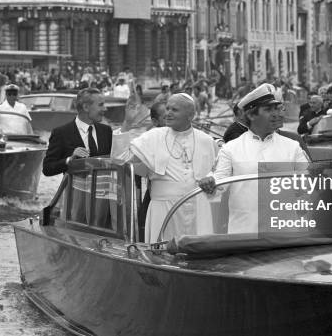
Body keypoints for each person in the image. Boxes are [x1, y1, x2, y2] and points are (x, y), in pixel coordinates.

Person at [198, 83, 309, 233]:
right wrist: (209, 182)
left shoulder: (292, 146)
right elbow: (218, 184)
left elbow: (309, 184)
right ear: (251, 115)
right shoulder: (231, 149)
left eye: (276, 108)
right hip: (245, 233)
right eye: (268, 110)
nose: (276, 114)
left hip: (284, 234)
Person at [111, 93, 216, 242]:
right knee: (161, 252)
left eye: (175, 109)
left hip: (199, 209)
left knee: (199, 252)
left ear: (190, 115)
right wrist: (127, 123)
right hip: (163, 210)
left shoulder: (206, 141)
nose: (168, 113)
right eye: (167, 108)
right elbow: (119, 158)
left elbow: (217, 173)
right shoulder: (153, 136)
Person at [43, 88, 113, 176]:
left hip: (102, 188)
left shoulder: (106, 131)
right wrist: (70, 160)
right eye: (101, 105)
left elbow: (115, 160)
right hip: (75, 189)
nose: (105, 108)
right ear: (86, 107)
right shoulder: (61, 133)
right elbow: (47, 168)